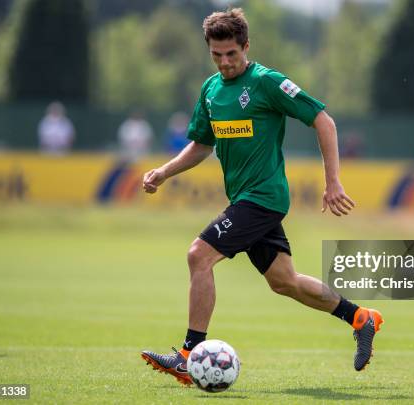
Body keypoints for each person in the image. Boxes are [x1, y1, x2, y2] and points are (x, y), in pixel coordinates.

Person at [140, 8, 383, 385]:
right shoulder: (210, 90)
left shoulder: (267, 82)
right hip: (246, 199)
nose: (224, 62)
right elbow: (202, 144)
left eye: (231, 54)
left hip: (263, 197)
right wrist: (164, 172)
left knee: (198, 256)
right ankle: (360, 318)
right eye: (216, 55)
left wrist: (332, 181)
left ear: (246, 47)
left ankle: (188, 356)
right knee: (283, 281)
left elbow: (323, 119)